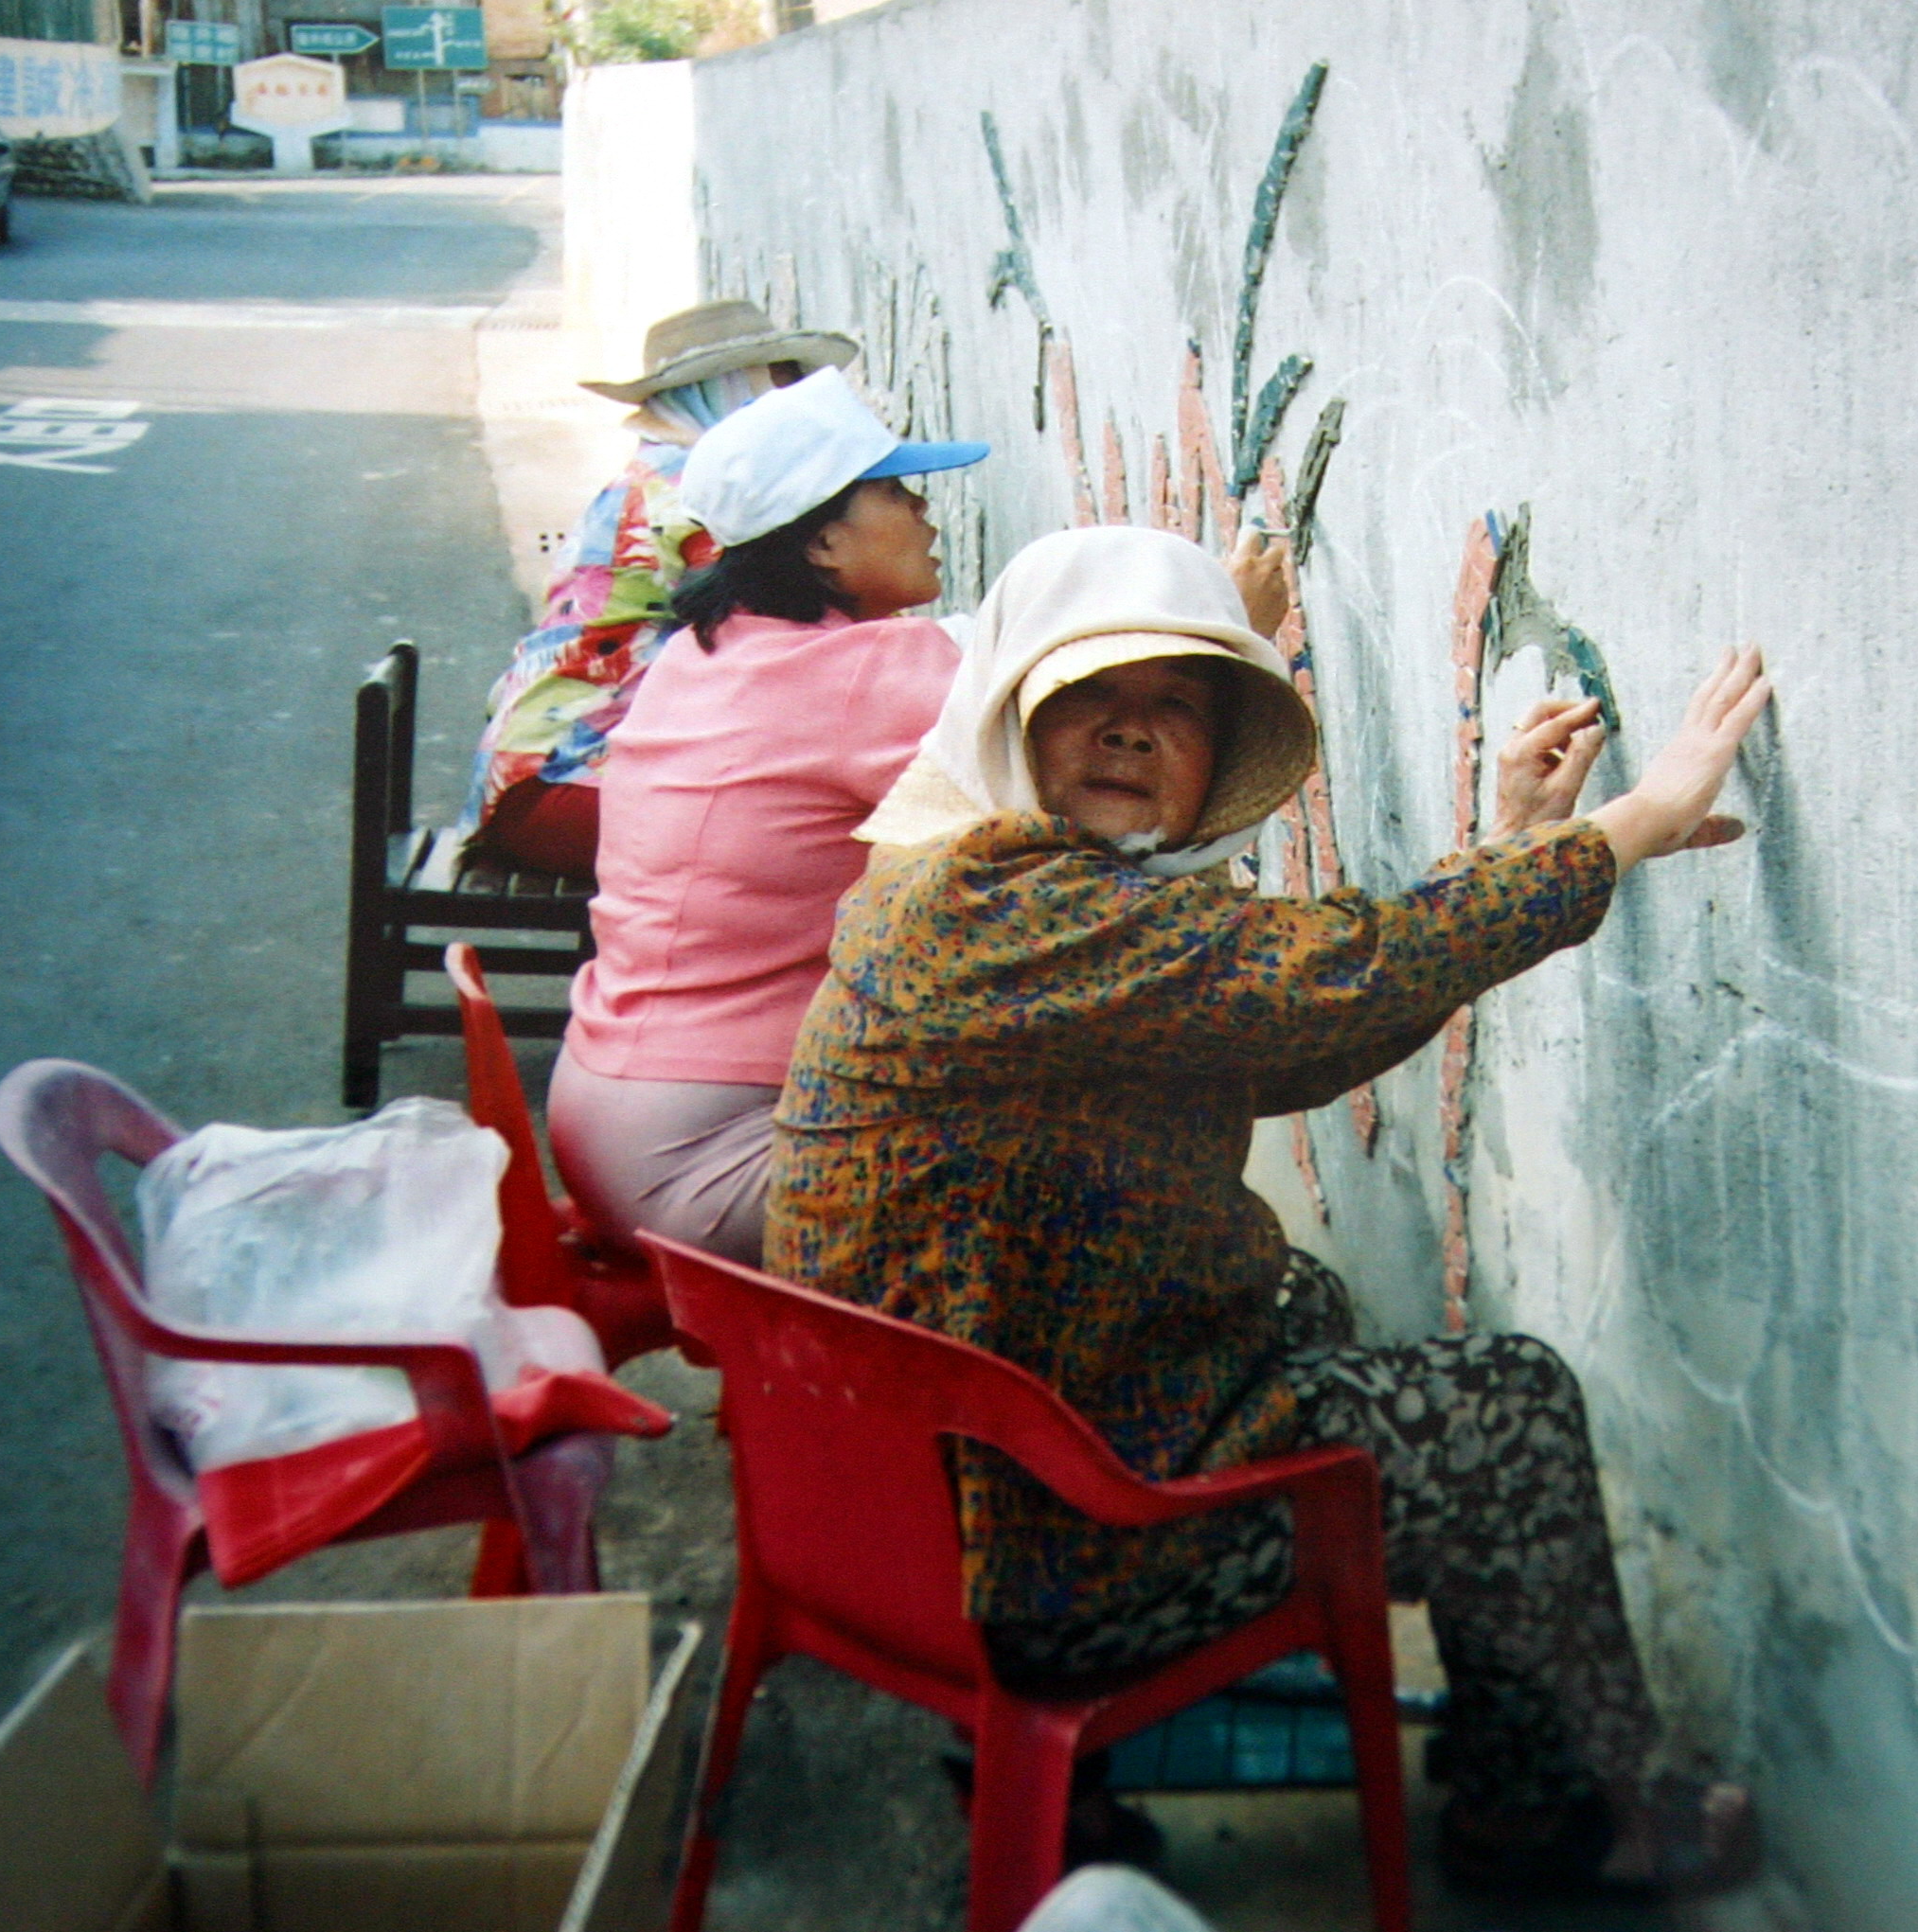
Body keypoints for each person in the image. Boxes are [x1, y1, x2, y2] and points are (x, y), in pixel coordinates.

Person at [761, 524, 1775, 1894]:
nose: (1128, 732)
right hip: (1030, 1547)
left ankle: (1099, 1783)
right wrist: (1622, 831)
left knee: (1297, 1299)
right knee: (1506, 1409)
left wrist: (1514, 850)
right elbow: (1335, 975)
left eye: (1173, 706)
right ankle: (1563, 1815)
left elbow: (1290, 1035)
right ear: (1010, 719)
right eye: (1088, 700)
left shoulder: (985, 891)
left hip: (930, 1505)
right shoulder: (998, 906)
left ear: (1211, 756)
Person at [542, 367, 989, 1258]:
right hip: (709, 1157)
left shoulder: (704, 652)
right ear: (823, 543)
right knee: (1069, 1164)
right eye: (899, 492)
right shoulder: (863, 670)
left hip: (601, 1114)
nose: (927, 516)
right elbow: (1048, 734)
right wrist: (1212, 625)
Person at [457, 301, 859, 877]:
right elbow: (791, 620)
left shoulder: (673, 473)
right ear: (724, 393)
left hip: (555, 775)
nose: (795, 403)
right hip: (566, 783)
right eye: (779, 382)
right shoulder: (689, 491)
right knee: (796, 845)